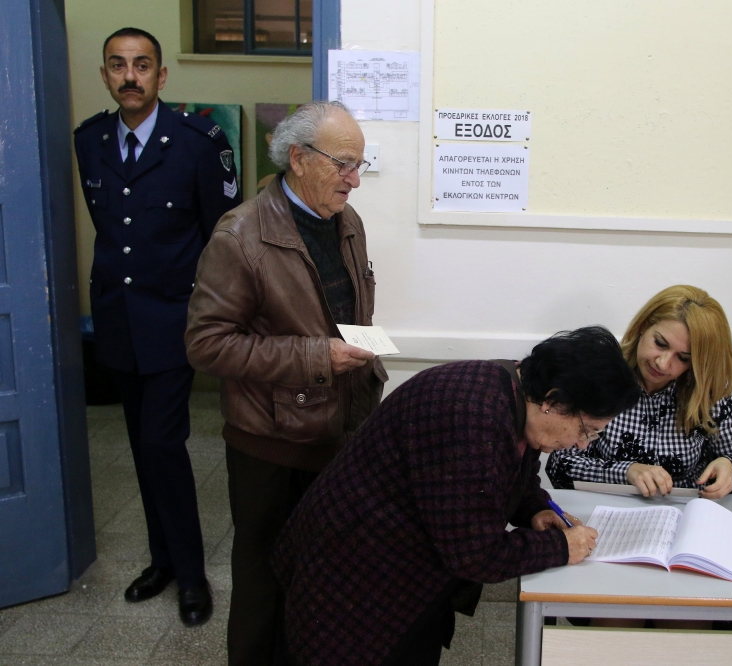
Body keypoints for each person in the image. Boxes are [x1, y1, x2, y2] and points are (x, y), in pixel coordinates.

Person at [271, 327, 642, 666]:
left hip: (404, 577)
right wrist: (561, 548)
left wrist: (536, 510)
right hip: (353, 587)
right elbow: (476, 555)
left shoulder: (516, 391)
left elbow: (517, 476)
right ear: (553, 400)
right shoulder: (472, 416)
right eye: (585, 430)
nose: (580, 443)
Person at [185, 100, 384, 665]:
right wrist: (314, 357)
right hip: (270, 446)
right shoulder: (240, 235)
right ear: (297, 157)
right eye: (343, 164)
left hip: (338, 433)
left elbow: (344, 310)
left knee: (322, 582)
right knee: (264, 584)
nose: (354, 181)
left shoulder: (347, 223)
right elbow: (205, 345)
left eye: (359, 165)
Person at [74, 27, 241, 626]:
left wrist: (217, 317)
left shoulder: (198, 141)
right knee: (142, 450)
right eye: (117, 65)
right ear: (104, 74)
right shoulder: (90, 141)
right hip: (118, 320)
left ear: (161, 76)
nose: (130, 76)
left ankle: (192, 576)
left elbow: (224, 237)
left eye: (142, 65)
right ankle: (162, 560)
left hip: (175, 321)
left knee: (161, 444)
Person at [546, 285, 732, 499]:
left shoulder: (707, 393)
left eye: (683, 358)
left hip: (684, 513)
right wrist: (627, 471)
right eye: (660, 344)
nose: (663, 364)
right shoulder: (601, 374)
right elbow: (559, 465)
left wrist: (729, 467)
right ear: (644, 326)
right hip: (606, 509)